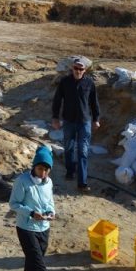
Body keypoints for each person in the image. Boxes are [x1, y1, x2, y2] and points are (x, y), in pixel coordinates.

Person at [51, 56, 101, 192]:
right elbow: (57, 100)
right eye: (76, 68)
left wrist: (96, 119)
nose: (78, 71)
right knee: (69, 148)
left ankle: (82, 183)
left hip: (84, 121)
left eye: (81, 69)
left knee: (83, 151)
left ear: (85, 70)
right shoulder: (64, 82)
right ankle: (70, 171)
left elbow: (94, 102)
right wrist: (55, 118)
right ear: (72, 69)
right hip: (68, 121)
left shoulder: (89, 83)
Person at [9, 145, 56, 271]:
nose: (43, 173)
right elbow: (13, 203)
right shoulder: (22, 181)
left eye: (46, 170)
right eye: (40, 168)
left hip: (44, 227)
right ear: (34, 166)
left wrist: (51, 212)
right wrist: (31, 213)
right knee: (40, 267)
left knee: (32, 262)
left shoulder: (49, 182)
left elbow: (50, 201)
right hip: (26, 228)